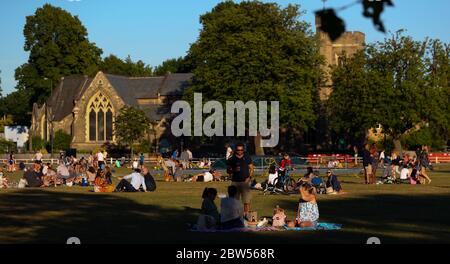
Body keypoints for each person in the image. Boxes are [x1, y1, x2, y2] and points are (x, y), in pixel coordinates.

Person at [226, 143, 254, 215]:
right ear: (235, 150)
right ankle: (235, 215)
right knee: (234, 201)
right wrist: (233, 170)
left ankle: (246, 215)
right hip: (235, 182)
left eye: (241, 150)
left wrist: (249, 178)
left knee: (246, 201)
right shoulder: (232, 159)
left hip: (245, 182)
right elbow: (228, 171)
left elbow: (251, 168)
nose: (240, 151)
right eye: (238, 150)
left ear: (243, 150)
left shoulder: (247, 157)